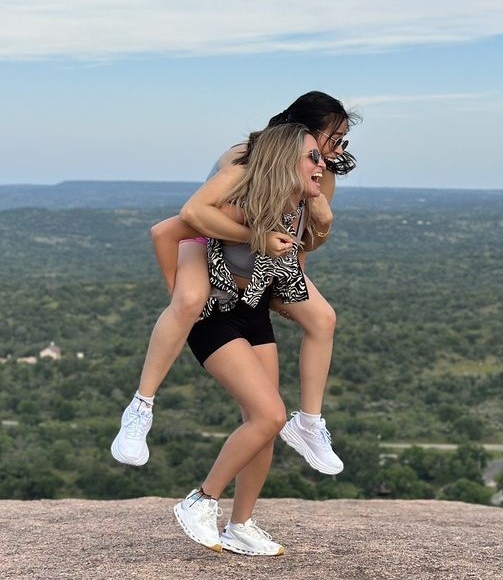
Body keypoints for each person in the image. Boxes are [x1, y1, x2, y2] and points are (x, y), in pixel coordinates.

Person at [111, 91, 358, 474]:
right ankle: (141, 406)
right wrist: (256, 241)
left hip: (258, 260)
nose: (339, 148)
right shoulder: (245, 161)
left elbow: (302, 238)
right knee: (190, 299)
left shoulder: (319, 174)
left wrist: (315, 238)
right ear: (305, 134)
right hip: (207, 240)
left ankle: (308, 423)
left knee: (322, 319)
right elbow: (193, 219)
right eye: (334, 136)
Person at [173, 123, 325, 555]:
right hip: (215, 315)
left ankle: (240, 526)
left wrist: (320, 220)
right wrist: (256, 234)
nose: (322, 164)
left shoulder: (294, 205)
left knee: (262, 428)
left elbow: (294, 267)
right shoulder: (244, 193)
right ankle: (201, 500)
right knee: (270, 414)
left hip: (254, 314)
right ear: (284, 159)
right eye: (312, 156)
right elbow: (192, 213)